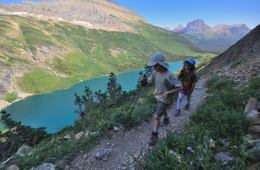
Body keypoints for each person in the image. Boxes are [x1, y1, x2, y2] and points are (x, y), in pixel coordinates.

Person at [141, 53, 182, 146]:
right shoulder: (155, 72)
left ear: (160, 64)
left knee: (156, 116)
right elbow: (150, 81)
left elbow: (180, 87)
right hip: (158, 96)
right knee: (162, 110)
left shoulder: (170, 75)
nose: (154, 67)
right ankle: (166, 118)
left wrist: (169, 92)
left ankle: (155, 135)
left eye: (155, 65)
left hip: (166, 99)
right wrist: (145, 81)